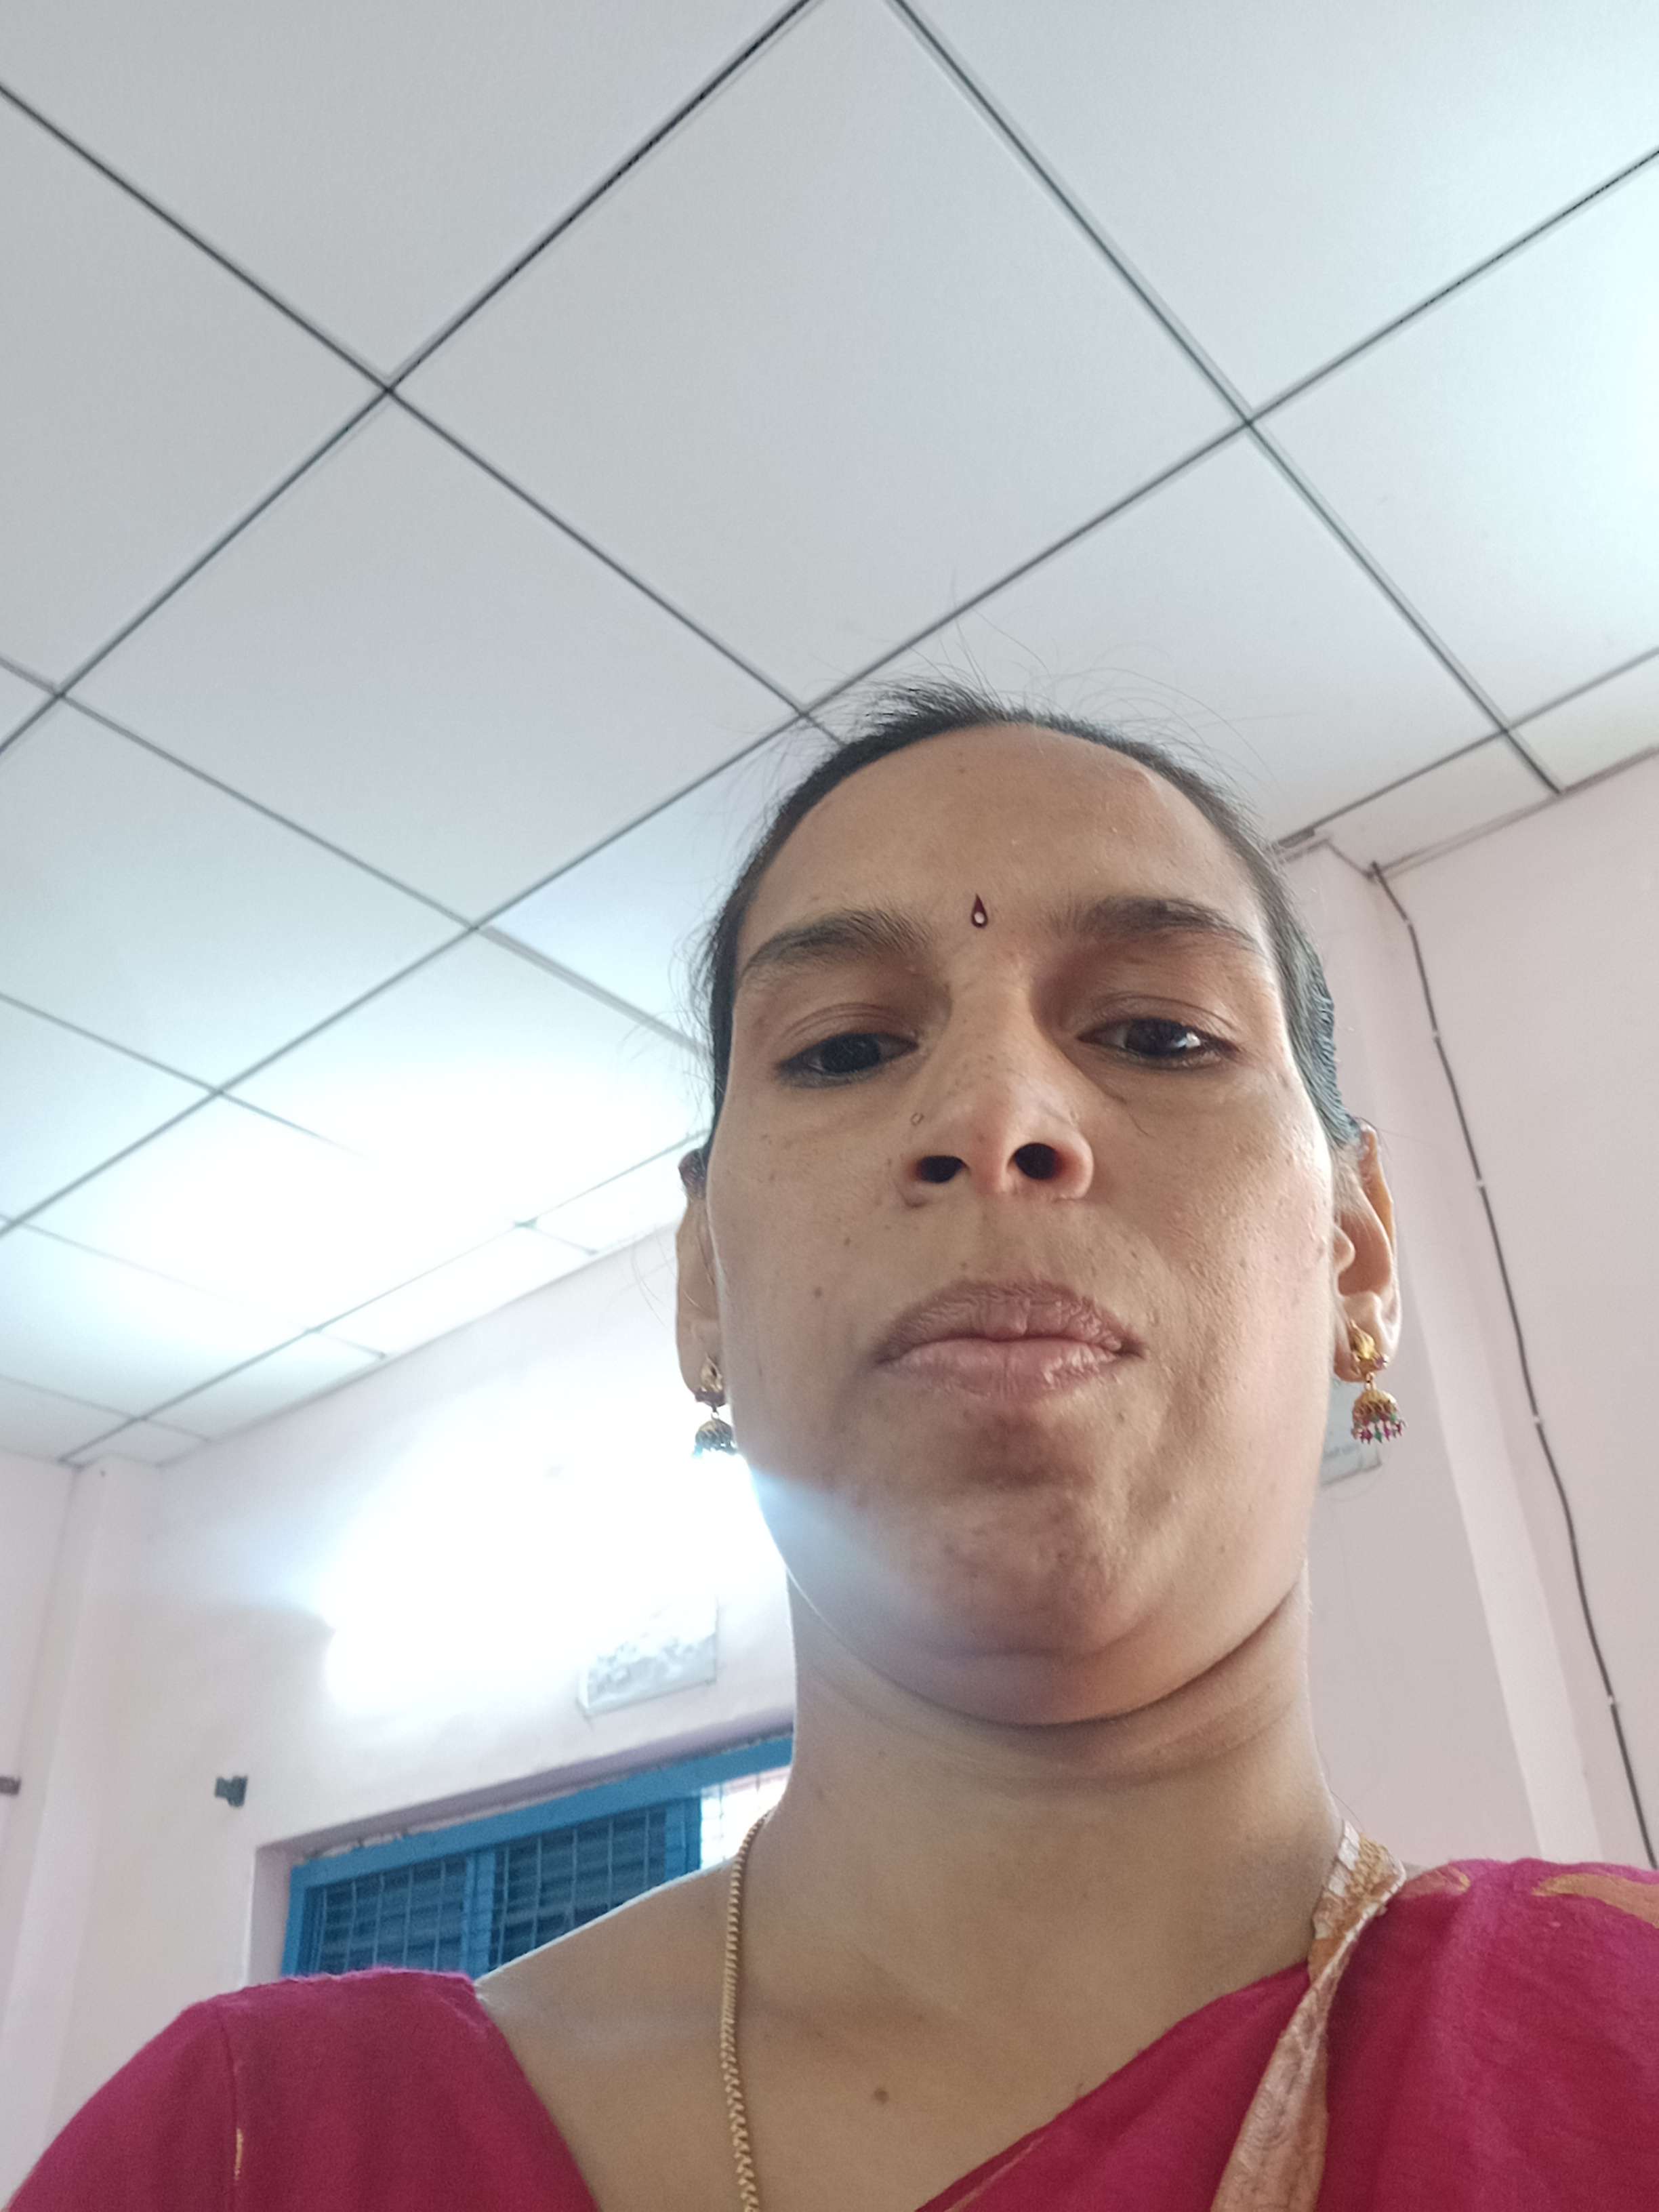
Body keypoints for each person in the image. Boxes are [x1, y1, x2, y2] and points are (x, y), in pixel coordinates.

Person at [12, 685, 1657, 2211]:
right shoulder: (250, 2155)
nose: (996, 1115)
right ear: (702, 1287)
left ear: (1357, 1251)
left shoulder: (1618, 2054)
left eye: (1160, 1033)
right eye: (847, 1048)